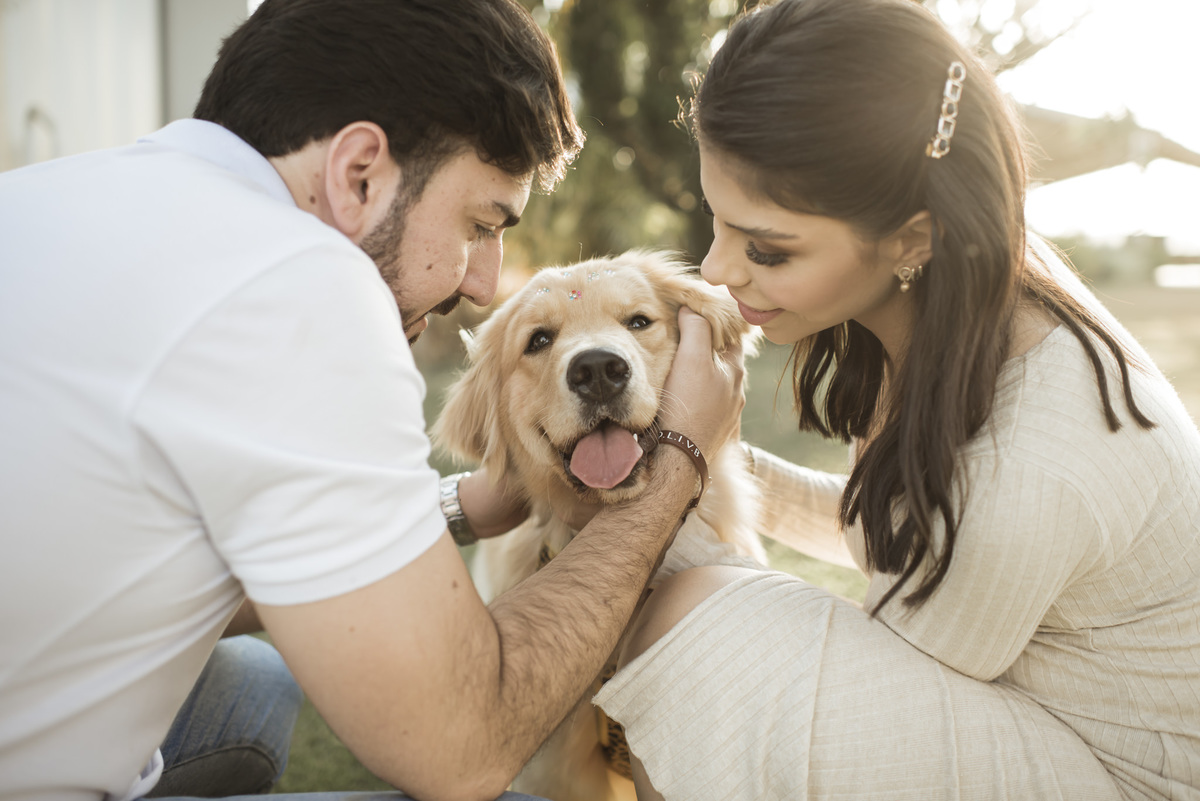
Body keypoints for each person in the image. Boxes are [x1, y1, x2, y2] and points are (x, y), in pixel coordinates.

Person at [0, 1, 747, 799]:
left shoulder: (52, 191)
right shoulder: (303, 290)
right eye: (479, 222)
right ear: (359, 173)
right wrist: (673, 470)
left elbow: (170, 572)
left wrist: (464, 507)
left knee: (253, 685)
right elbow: (462, 747)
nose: (483, 281)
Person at [591, 0, 1200, 799]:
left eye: (767, 248)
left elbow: (894, 640)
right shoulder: (963, 301)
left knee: (699, 625)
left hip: (1121, 778)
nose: (715, 269)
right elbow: (894, 545)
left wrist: (683, 471)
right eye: (719, 221)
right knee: (699, 613)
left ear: (913, 237)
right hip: (1034, 722)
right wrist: (705, 452)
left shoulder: (1032, 460)